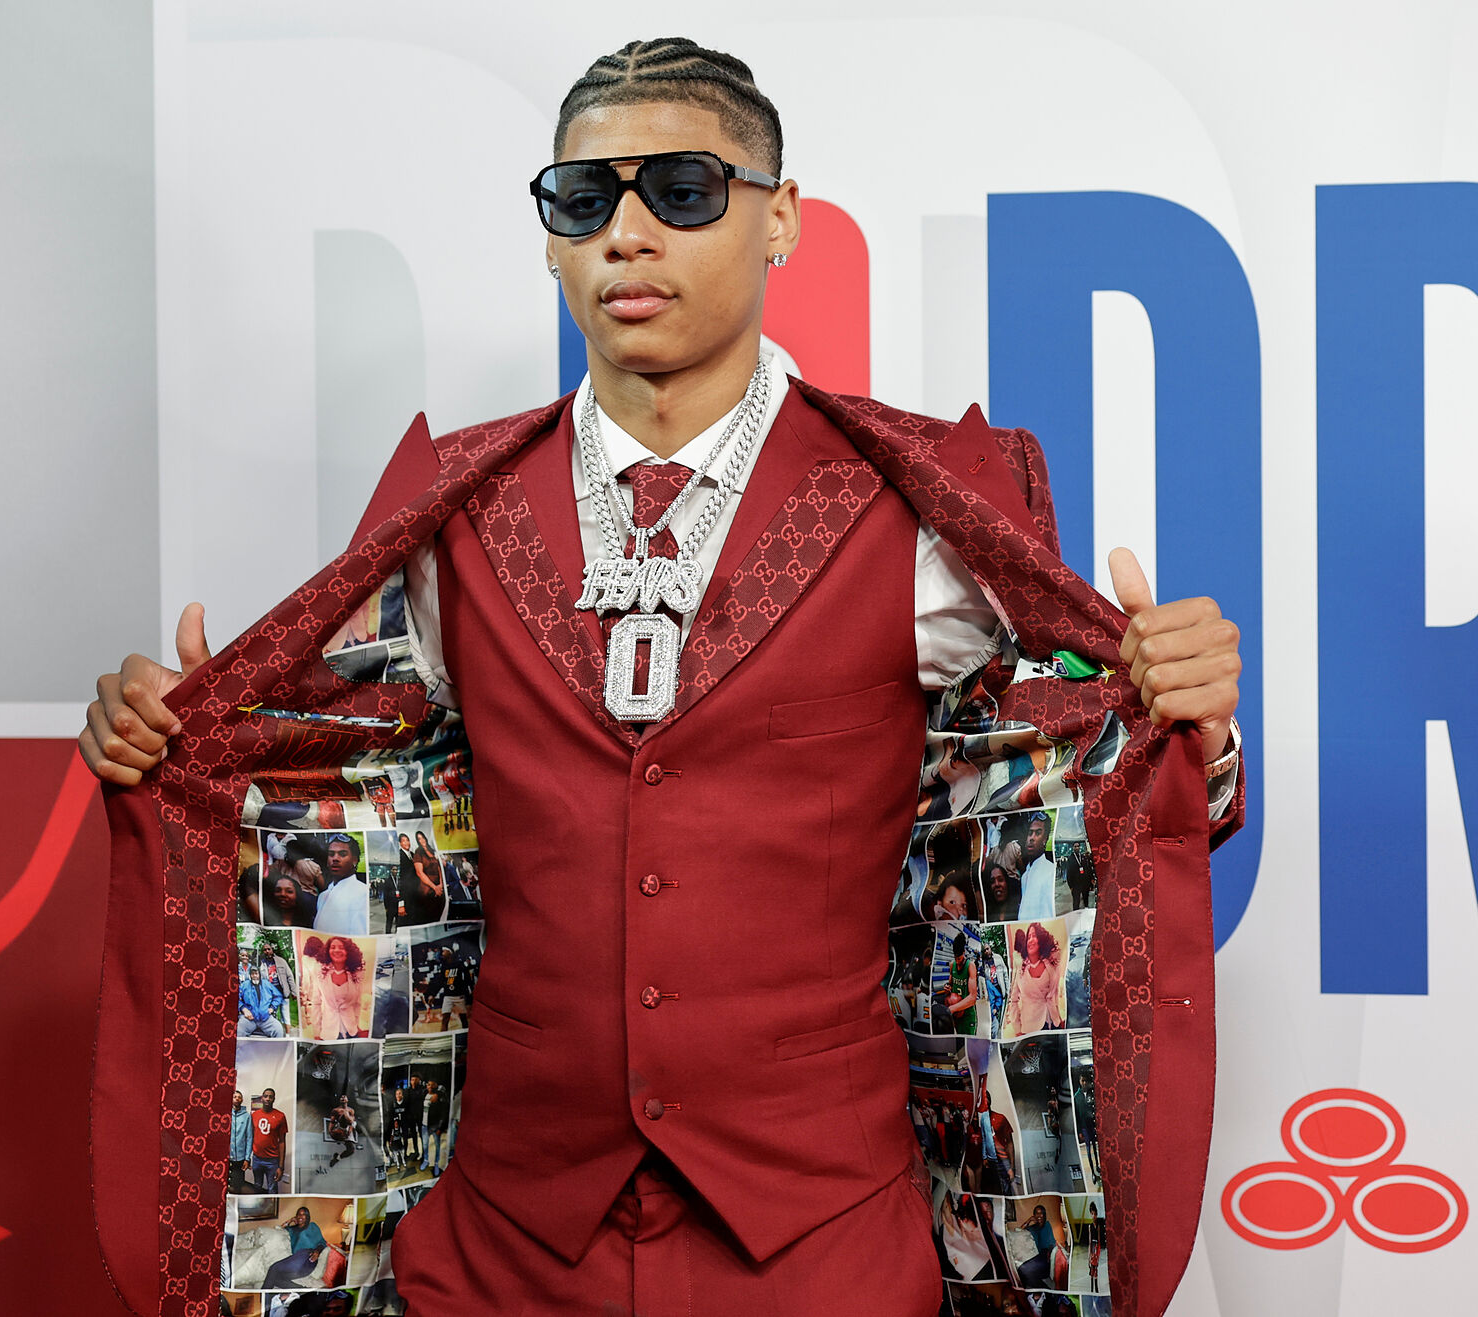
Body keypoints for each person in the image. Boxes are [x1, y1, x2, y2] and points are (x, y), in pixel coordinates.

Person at [83, 35, 1245, 1315]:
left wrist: (1185, 716)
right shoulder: (449, 505)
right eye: (584, 201)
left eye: (682, 191)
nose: (626, 236)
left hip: (824, 1241)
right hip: (506, 1240)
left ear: (780, 219)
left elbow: (1059, 797)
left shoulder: (921, 505)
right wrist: (177, 741)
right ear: (549, 237)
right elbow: (332, 790)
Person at [314, 834, 373, 936]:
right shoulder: (322, 896)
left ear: (354, 860)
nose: (335, 858)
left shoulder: (362, 893)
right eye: (331, 854)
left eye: (342, 854)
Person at [1014, 922, 1066, 1036]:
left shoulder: (1051, 966)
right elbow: (1013, 1000)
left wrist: (1060, 1018)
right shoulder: (1020, 970)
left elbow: (1056, 994)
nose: (1031, 940)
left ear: (1041, 941)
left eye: (1034, 936)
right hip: (1030, 1028)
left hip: (1053, 1024)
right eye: (1029, 937)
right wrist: (1017, 1029)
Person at [239, 952, 287, 1038]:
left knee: (279, 1030)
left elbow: (278, 996)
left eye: (256, 974)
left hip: (266, 1019)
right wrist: (244, 1009)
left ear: (260, 975)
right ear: (250, 975)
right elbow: (236, 999)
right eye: (252, 974)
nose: (254, 976)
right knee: (238, 1031)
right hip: (249, 1019)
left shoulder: (267, 984)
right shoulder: (244, 985)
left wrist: (272, 1007)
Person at [249, 1088, 289, 1193]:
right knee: (257, 1186)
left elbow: (282, 1142)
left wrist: (281, 1167)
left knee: (272, 1189)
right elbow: (250, 1137)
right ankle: (258, 1209)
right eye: (265, 1096)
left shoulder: (280, 1116)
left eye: (270, 1097)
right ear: (262, 1098)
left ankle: (272, 1209)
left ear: (274, 1099)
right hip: (257, 1159)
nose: (268, 1099)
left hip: (272, 1161)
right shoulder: (254, 1115)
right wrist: (248, 1158)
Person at [228, 1090, 253, 1193]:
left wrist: (247, 1159)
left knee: (237, 1187)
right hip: (227, 1157)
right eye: (235, 1097)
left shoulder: (247, 1116)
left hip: (240, 1158)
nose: (237, 1098)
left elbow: (249, 1138)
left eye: (239, 1097)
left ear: (242, 1100)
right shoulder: (227, 1115)